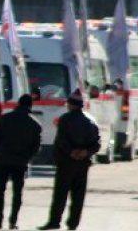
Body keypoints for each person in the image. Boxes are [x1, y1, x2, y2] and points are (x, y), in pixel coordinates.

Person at [39, 91, 100, 231]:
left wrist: (71, 152)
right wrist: (86, 152)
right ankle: (73, 224)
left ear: (71, 104)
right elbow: (97, 143)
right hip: (83, 163)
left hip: (66, 162)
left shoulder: (65, 119)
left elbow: (61, 141)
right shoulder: (90, 121)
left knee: (60, 194)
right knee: (78, 196)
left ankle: (54, 222)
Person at [0, 94, 42, 230]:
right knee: (17, 192)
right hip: (21, 162)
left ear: (18, 103)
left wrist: (1, 151)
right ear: (31, 105)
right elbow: (36, 147)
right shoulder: (35, 124)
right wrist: (28, 157)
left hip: (3, 159)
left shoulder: (5, 118)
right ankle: (13, 222)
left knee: (0, 191)